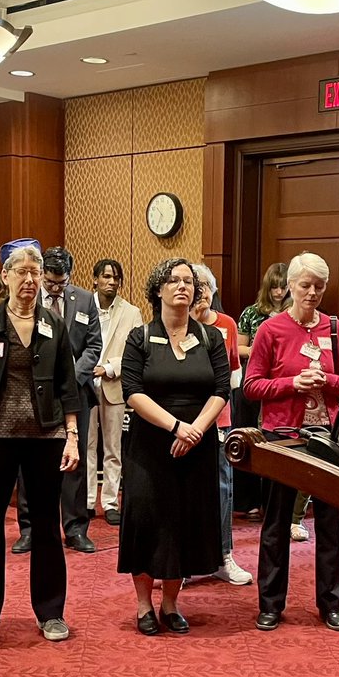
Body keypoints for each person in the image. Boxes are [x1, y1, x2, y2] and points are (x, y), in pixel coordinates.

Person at [0, 244, 81, 648]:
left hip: (46, 438)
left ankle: (51, 612)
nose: (30, 280)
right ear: (6, 276)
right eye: (22, 272)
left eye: (36, 272)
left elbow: (67, 384)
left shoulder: (54, 324)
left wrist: (72, 435)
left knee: (47, 525)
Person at [244, 252, 339, 632]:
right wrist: (292, 384)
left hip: (326, 436)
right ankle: (271, 604)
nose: (312, 293)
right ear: (289, 285)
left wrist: (327, 381)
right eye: (305, 285)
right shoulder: (271, 330)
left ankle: (332, 604)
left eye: (319, 287)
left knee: (329, 522)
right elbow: (251, 386)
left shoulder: (334, 328)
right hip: (283, 435)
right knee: (276, 522)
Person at [118, 258, 229, 635]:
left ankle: (170, 603)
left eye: (189, 281)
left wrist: (195, 430)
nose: (183, 286)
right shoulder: (140, 337)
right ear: (158, 289)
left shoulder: (212, 338)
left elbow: (221, 390)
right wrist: (176, 427)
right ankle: (143, 605)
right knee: (148, 521)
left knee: (184, 524)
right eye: (174, 280)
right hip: (150, 446)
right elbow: (132, 392)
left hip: (197, 446)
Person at [12, 246, 101, 555]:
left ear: (69, 277)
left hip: (75, 392)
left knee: (75, 464)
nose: (53, 288)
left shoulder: (86, 300)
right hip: (35, 393)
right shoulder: (27, 298)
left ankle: (76, 528)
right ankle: (30, 528)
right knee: (30, 461)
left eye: (59, 282)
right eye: (49, 281)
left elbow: (94, 346)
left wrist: (69, 377)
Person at [192, 263, 252, 585]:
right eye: (194, 285)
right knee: (188, 489)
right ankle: (187, 558)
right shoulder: (180, 324)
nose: (201, 291)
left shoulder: (227, 324)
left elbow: (232, 374)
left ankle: (224, 555)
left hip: (220, 419)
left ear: (214, 291)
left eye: (205, 285)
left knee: (223, 487)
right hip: (184, 419)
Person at [86, 257, 141, 526]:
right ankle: (85, 500)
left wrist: (108, 368)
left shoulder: (132, 312)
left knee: (113, 448)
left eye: (116, 277)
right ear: (94, 279)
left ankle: (109, 501)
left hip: (113, 385)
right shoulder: (82, 306)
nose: (111, 282)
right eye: (106, 276)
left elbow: (134, 354)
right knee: (86, 446)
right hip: (84, 385)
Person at [234, 262, 290, 521]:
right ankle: (249, 501)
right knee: (250, 440)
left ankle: (275, 505)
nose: (279, 292)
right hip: (255, 382)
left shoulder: (295, 313)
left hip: (283, 385)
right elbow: (239, 349)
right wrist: (262, 349)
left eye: (283, 287)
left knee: (276, 443)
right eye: (275, 287)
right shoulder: (251, 313)